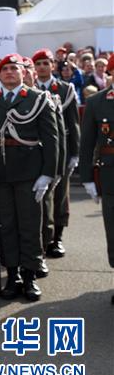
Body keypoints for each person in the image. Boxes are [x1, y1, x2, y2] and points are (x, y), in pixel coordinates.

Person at [0, 53, 57, 302]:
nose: (9, 72)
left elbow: (52, 140)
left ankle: (30, 275)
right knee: (6, 226)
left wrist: (47, 174)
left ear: (23, 72)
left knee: (29, 225)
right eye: (5, 69)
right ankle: (12, 275)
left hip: (29, 172)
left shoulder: (38, 99)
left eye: (14, 68)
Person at [33, 49, 80, 259]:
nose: (42, 67)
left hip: (62, 148)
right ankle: (42, 237)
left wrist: (75, 153)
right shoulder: (29, 90)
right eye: (38, 63)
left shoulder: (65, 88)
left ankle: (57, 238)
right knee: (41, 196)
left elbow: (73, 124)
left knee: (60, 194)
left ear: (53, 65)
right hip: (37, 150)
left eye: (45, 63)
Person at [78, 53, 114, 304]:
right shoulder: (97, 103)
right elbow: (87, 143)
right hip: (111, 174)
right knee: (113, 229)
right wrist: (87, 177)